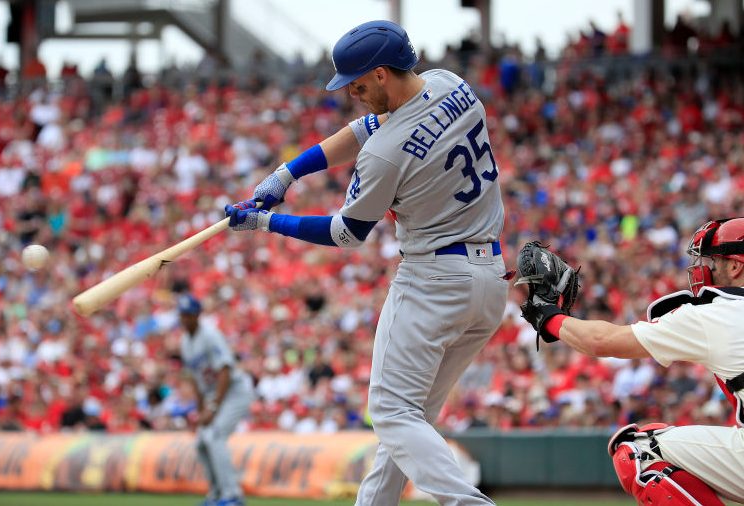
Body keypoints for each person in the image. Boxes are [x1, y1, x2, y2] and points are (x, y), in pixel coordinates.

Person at [224, 19, 508, 506]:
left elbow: (345, 233)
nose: (350, 93)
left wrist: (269, 223)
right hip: (488, 280)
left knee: (392, 414)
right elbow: (363, 128)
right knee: (406, 422)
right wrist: (286, 173)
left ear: (380, 74)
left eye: (356, 82)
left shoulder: (385, 154)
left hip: (435, 280)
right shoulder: (449, 85)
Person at [519, 218, 744, 505]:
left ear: (735, 266)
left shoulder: (718, 313)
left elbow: (601, 341)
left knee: (639, 449)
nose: (703, 268)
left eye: (713, 261)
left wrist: (547, 315)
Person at [177, 294, 254, 506]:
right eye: (182, 315)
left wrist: (212, 408)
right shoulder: (184, 341)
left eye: (189, 314)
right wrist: (201, 410)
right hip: (214, 393)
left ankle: (232, 496)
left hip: (235, 391)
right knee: (202, 441)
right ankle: (217, 493)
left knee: (215, 435)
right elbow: (195, 379)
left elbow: (225, 371)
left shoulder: (210, 335)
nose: (185, 319)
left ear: (197, 315)